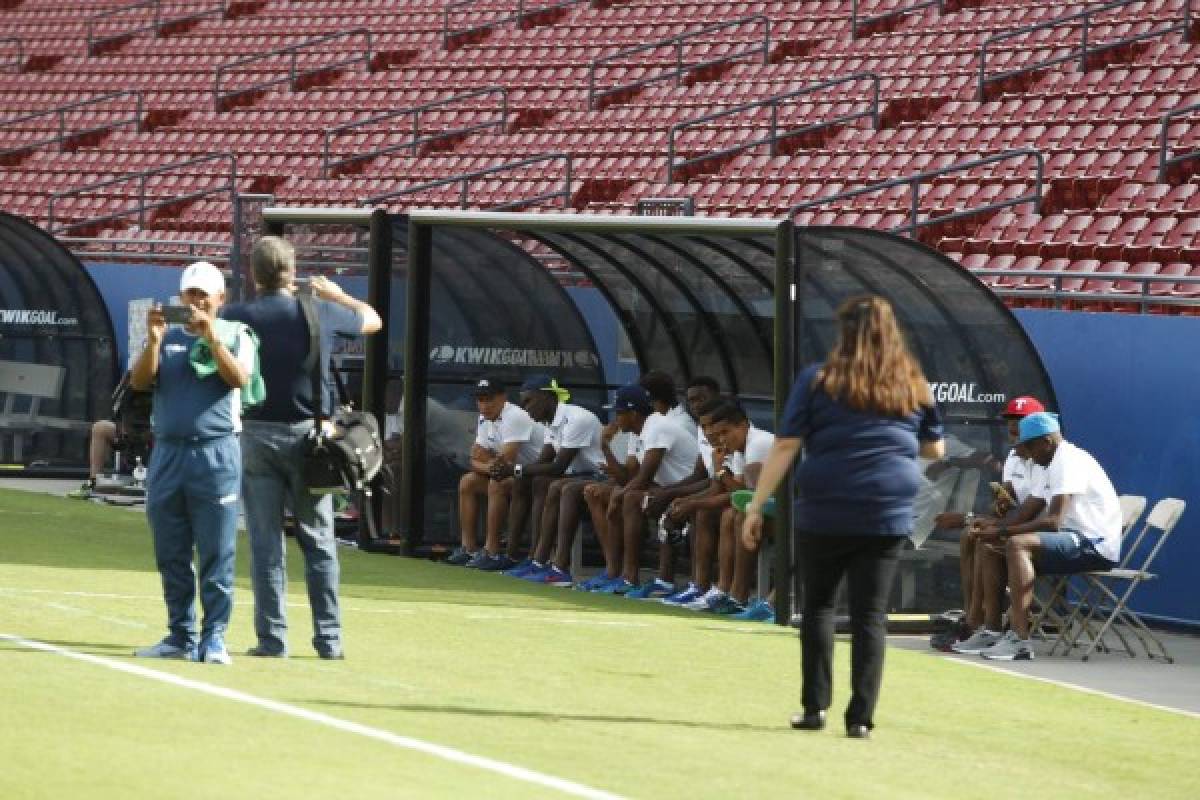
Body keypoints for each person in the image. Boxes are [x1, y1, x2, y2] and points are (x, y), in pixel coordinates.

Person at [742, 295, 945, 738]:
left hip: (826, 505)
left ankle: (814, 709)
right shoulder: (914, 384)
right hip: (887, 509)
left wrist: (756, 505)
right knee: (869, 616)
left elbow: (785, 445)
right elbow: (934, 449)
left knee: (817, 607)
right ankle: (861, 719)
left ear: (844, 332)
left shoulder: (819, 380)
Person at [221, 236, 382, 660]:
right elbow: (372, 320)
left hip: (255, 434)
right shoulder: (319, 311)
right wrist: (338, 294)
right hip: (312, 439)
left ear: (254, 274)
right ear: (293, 272)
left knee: (265, 544)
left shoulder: (236, 314)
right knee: (319, 541)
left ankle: (273, 640)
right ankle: (329, 640)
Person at [130, 260, 257, 664]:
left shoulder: (237, 335)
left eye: (205, 294)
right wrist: (152, 341)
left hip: (215, 452)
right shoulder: (164, 337)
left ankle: (214, 637)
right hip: (168, 452)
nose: (197, 301)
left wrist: (213, 340)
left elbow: (240, 380)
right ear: (181, 297)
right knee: (170, 550)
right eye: (191, 294)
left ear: (221, 298)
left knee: (217, 550)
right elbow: (139, 383)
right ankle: (179, 635)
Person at [971, 412, 1121, 661]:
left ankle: (1020, 641)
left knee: (1017, 544)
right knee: (991, 547)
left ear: (1047, 441)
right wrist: (993, 527)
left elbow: (1053, 522)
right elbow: (1026, 511)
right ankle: (992, 632)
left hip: (1093, 545)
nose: (1027, 454)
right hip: (1069, 540)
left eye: (1029, 447)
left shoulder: (1068, 462)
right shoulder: (1050, 462)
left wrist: (1003, 531)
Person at [933, 396, 1049, 653]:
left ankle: (977, 623)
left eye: (1019, 425)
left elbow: (1035, 514)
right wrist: (990, 511)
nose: (1012, 431)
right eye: (1010, 424)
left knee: (986, 538)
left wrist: (978, 520)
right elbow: (1005, 504)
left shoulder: (1047, 459)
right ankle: (972, 618)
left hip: (1043, 532)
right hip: (1022, 527)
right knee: (970, 534)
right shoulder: (1015, 458)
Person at [582, 383, 698, 594]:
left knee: (630, 498)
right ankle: (613, 572)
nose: (616, 419)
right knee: (602, 492)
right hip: (665, 489)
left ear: (633, 413)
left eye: (619, 413)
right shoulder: (637, 431)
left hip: (690, 489)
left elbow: (643, 478)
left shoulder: (657, 426)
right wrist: (605, 447)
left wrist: (619, 496)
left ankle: (630, 577)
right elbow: (628, 475)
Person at [497, 374, 605, 580]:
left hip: (601, 476)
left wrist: (513, 469)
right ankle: (531, 559)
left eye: (529, 401)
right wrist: (513, 470)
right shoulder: (550, 422)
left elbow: (557, 466)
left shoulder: (577, 418)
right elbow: (543, 462)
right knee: (532, 480)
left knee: (555, 485)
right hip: (579, 476)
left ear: (547, 397)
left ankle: (557, 568)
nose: (525, 408)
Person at [446, 376, 545, 569]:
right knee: (468, 481)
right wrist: (490, 465)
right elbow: (473, 459)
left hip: (536, 474)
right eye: (480, 400)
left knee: (496, 483)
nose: (484, 405)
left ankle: (492, 552)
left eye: (489, 399)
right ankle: (469, 548)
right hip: (514, 474)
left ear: (503, 398)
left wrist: (489, 461)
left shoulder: (514, 415)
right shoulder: (484, 417)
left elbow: (505, 461)